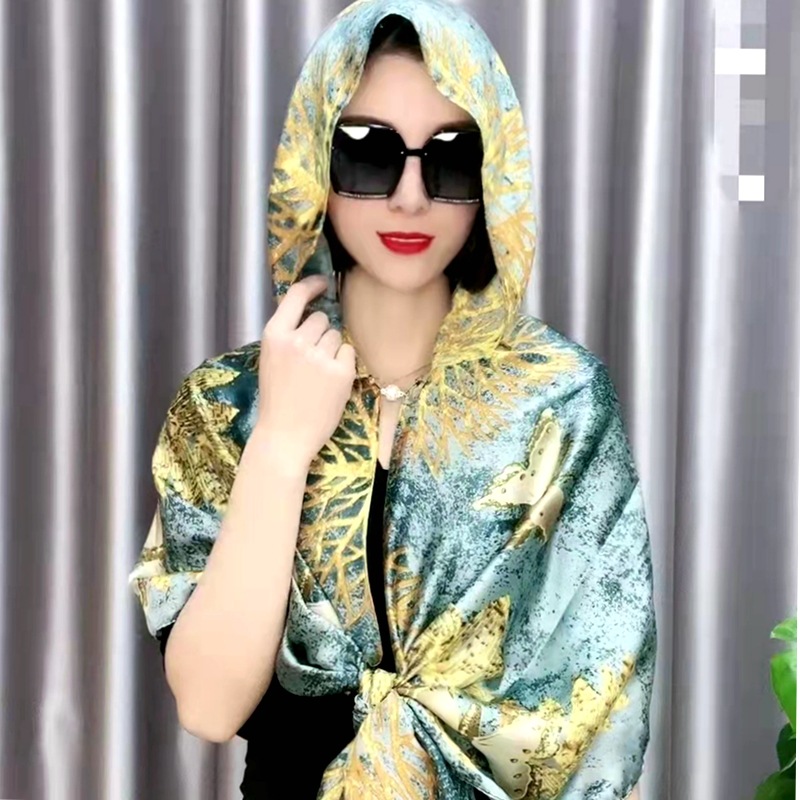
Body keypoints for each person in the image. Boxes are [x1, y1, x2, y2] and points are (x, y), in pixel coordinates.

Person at [128, 2, 656, 799]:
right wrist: (280, 443)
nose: (411, 196)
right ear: (314, 158)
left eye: (450, 159)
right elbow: (206, 705)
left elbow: (601, 715)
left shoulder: (563, 403)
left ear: (494, 177)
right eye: (369, 153)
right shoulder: (226, 405)